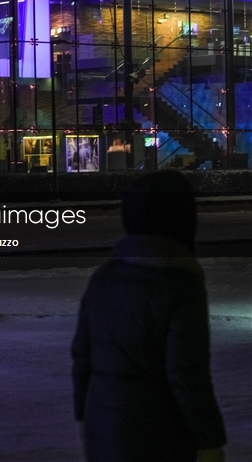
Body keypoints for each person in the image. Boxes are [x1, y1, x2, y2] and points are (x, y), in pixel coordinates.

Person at [71, 171, 227, 462]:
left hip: (102, 425)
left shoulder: (104, 278)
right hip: (159, 434)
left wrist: (85, 415)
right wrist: (210, 441)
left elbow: (82, 357)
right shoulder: (180, 284)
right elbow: (187, 375)